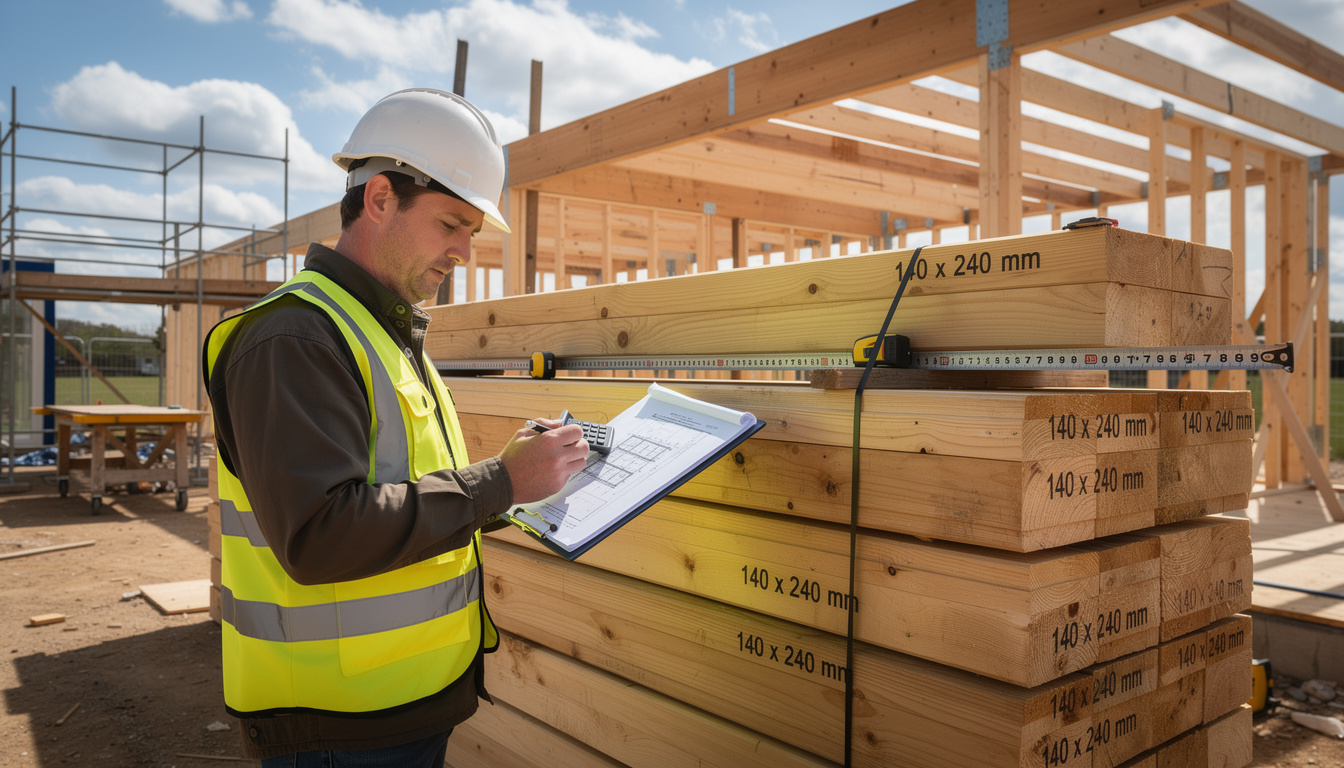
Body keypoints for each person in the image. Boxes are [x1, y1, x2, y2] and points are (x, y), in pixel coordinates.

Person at [202, 88, 590, 766]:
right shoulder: (295, 337)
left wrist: (517, 483)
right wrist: (498, 480)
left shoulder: (381, 333)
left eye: (471, 231)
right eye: (451, 225)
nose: (466, 252)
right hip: (336, 728)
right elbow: (320, 536)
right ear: (380, 198)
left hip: (398, 706)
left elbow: (401, 495)